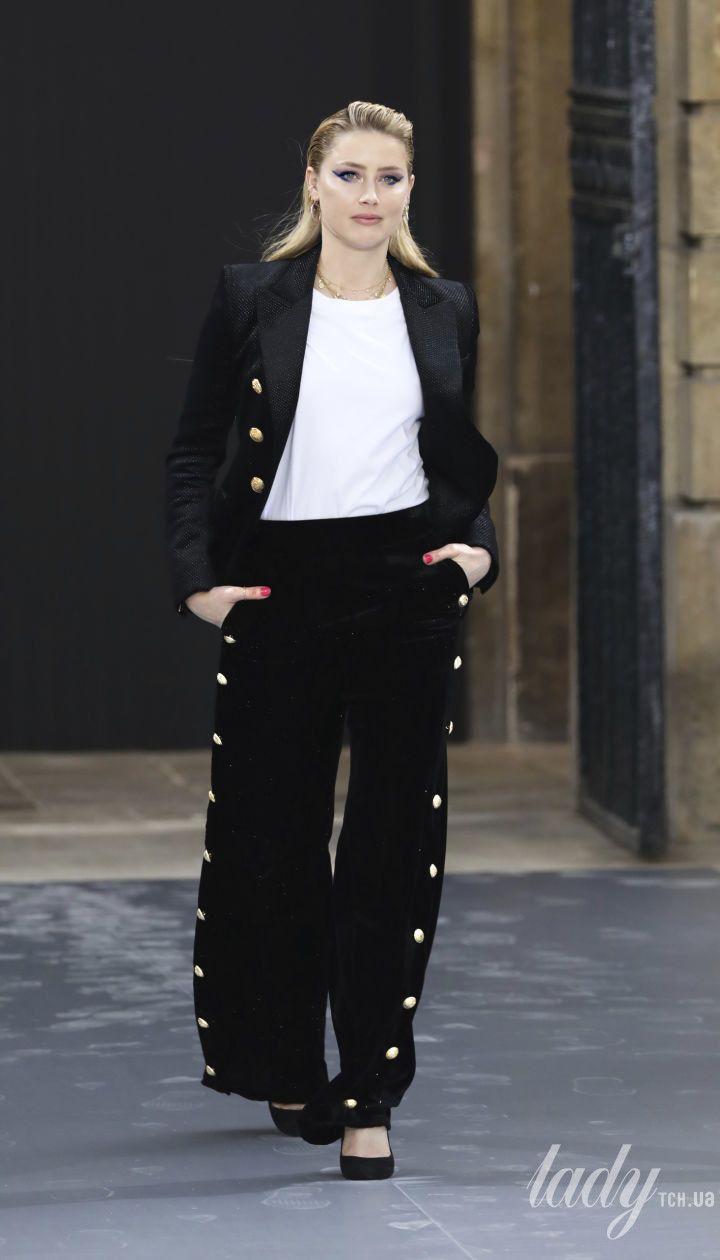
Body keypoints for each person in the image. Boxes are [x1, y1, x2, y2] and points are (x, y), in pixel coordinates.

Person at [164, 100, 500, 1180]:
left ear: (409, 191)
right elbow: (194, 448)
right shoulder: (252, 297)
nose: (369, 195)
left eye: (389, 177)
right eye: (349, 173)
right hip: (282, 587)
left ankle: (369, 1095)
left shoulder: (444, 307)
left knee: (392, 848)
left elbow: (455, 455)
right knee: (273, 841)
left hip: (406, 586)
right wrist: (200, 583)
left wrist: (475, 554)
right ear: (313, 182)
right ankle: (286, 1061)